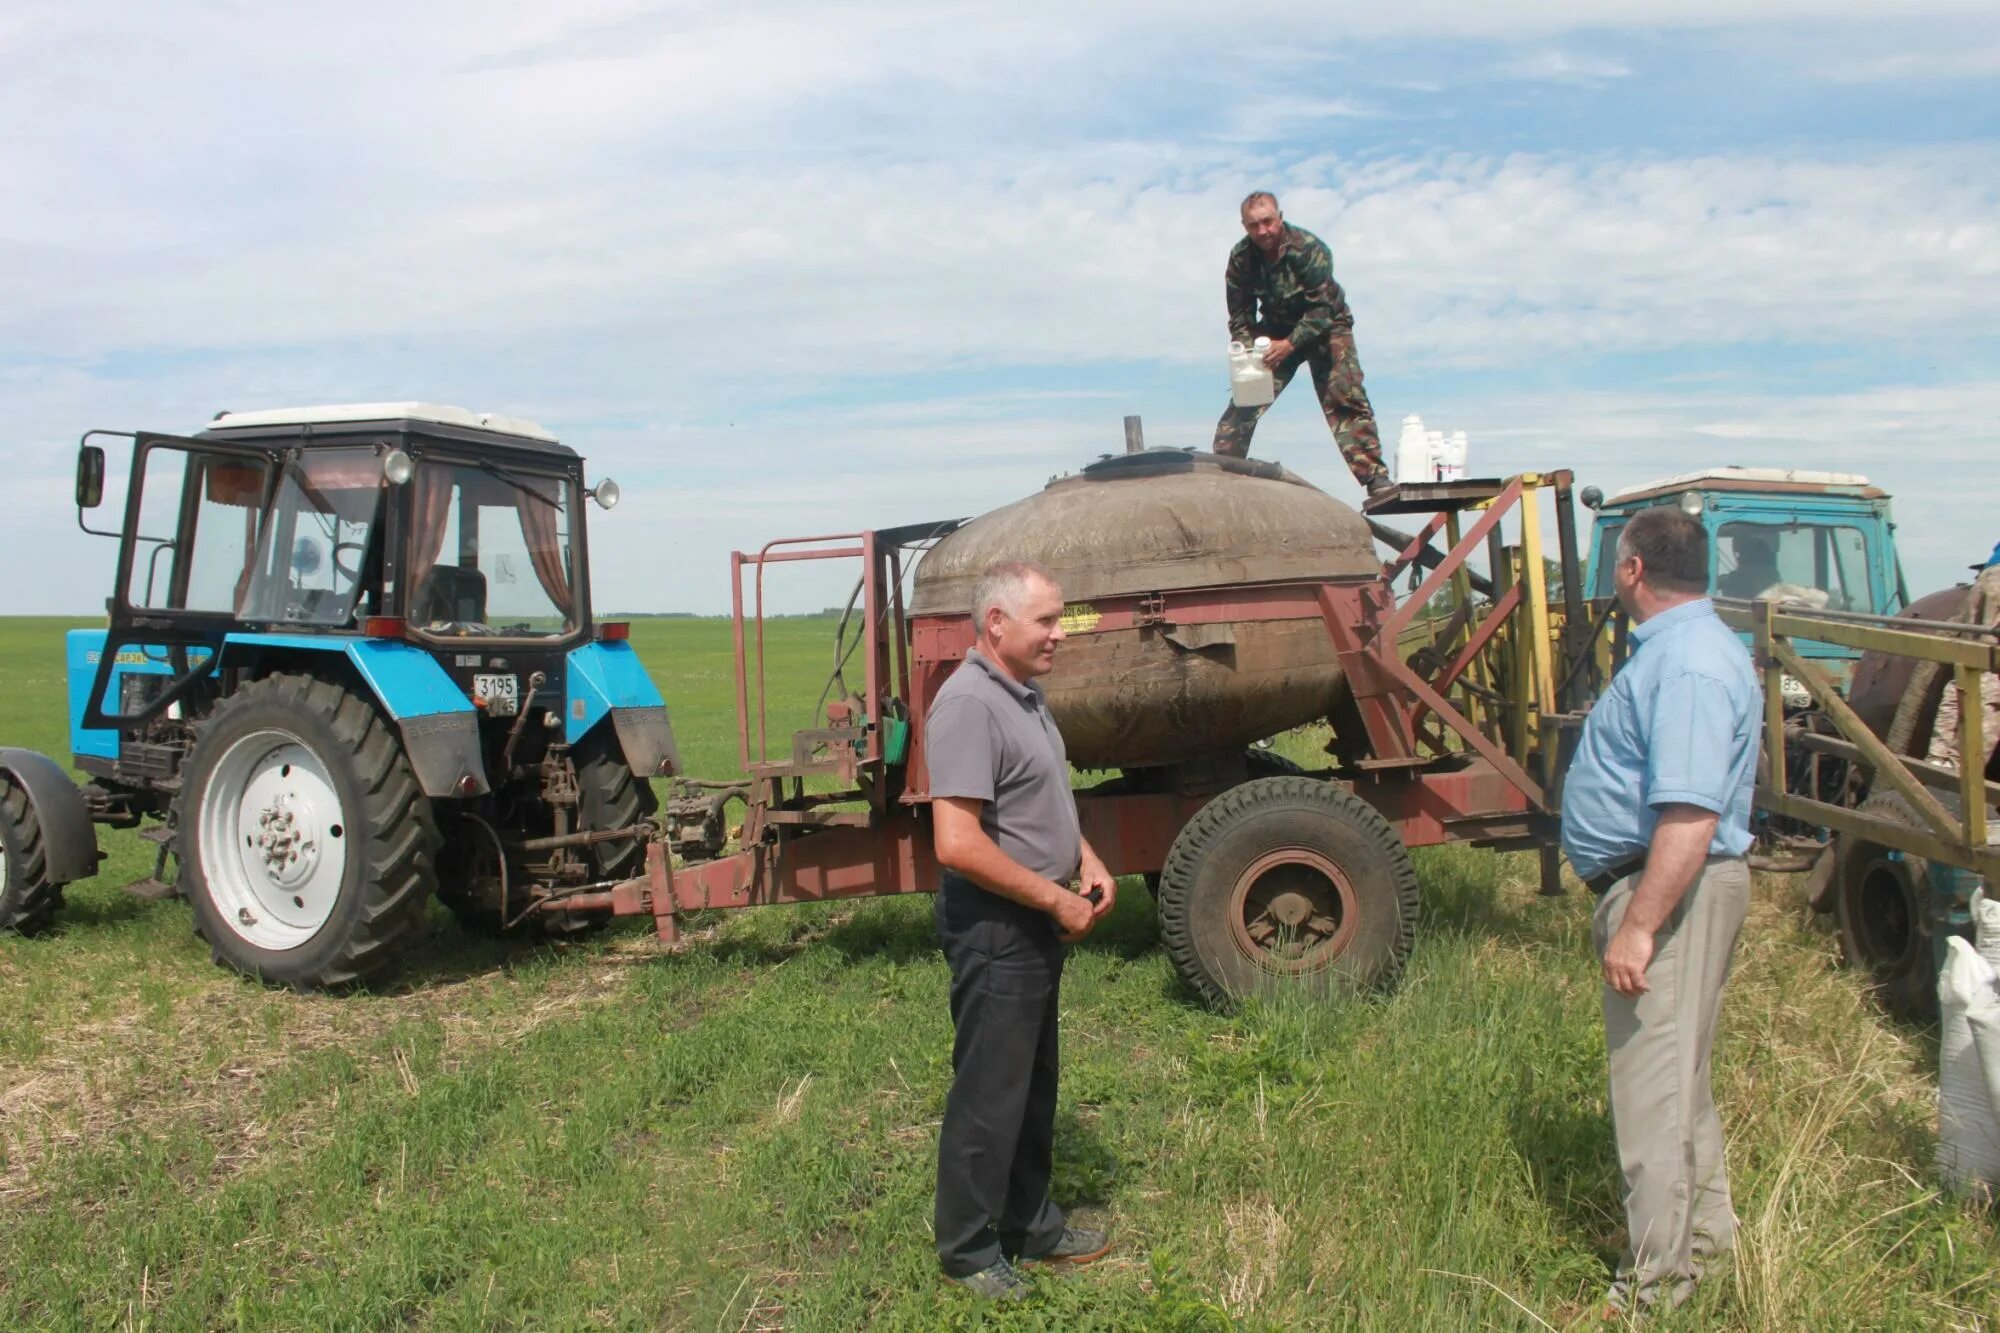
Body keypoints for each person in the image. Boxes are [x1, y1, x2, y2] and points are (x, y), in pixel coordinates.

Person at [1559, 505, 1760, 1315]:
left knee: (1649, 1095)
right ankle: (1704, 1252)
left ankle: (1655, 1289)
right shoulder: (1684, 651)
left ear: (1634, 568)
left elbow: (1689, 812)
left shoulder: (1687, 666)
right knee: (1679, 1086)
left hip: (1670, 889)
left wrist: (1640, 924)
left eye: (1620, 562)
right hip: (1664, 883)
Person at [925, 559, 1118, 1300]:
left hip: (1035, 917)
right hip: (998, 926)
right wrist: (1055, 900)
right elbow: (958, 842)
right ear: (996, 623)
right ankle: (969, 1250)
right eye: (1046, 619)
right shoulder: (969, 704)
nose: (1059, 633)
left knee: (1033, 1084)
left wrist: (1087, 857)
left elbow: (1047, 798)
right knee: (990, 1090)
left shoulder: (1026, 696)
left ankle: (1031, 1225)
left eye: (1060, 617)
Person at [1210, 191, 1390, 496]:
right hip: (1275, 330)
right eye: (1254, 225)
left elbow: (1321, 309)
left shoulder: (1309, 249)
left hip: (1327, 327)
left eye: (1267, 222)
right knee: (1246, 398)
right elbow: (1240, 314)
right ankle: (1223, 478)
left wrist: (1291, 344)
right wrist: (1247, 353)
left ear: (1280, 217)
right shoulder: (1241, 258)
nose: (1262, 231)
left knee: (1344, 397)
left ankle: (1375, 478)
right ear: (1244, 226)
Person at [1717, 528, 1782, 600]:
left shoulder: (1742, 575)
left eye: (1741, 554)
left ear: (1746, 556)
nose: (1738, 558)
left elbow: (1721, 581)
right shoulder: (1773, 573)